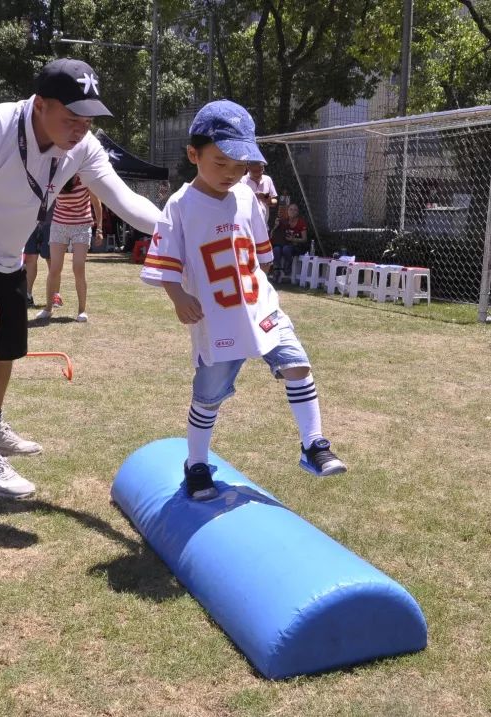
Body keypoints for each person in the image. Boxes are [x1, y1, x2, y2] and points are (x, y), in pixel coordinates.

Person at [0, 58, 162, 499]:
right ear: (40, 105)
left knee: (7, 350)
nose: (80, 131)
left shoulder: (82, 146)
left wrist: (175, 228)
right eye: (71, 119)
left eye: (87, 121)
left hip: (9, 254)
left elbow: (124, 200)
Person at [140, 99, 347, 502]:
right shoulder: (179, 206)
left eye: (239, 166)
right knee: (208, 395)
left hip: (260, 308)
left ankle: (314, 445)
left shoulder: (248, 198)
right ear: (193, 154)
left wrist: (258, 293)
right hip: (216, 318)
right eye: (221, 163)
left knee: (297, 365)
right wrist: (178, 295)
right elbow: (164, 262)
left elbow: (262, 256)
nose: (231, 174)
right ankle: (196, 464)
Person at [34, 174, 103, 322]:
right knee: (54, 269)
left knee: (78, 267)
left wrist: (100, 229)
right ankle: (48, 308)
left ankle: (82, 310)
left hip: (82, 224)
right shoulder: (56, 176)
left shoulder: (85, 177)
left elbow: (96, 203)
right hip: (59, 223)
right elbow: (43, 197)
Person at [240, 160, 278, 227]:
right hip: (246, 225)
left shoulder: (267, 179)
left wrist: (269, 201)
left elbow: (275, 201)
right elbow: (238, 202)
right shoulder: (241, 181)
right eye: (255, 171)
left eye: (260, 170)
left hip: (264, 225)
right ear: (248, 168)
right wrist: (256, 196)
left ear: (263, 168)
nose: (258, 174)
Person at [23, 221, 50, 306]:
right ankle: (28, 295)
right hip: (30, 220)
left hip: (51, 220)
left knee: (51, 259)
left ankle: (55, 296)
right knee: (30, 258)